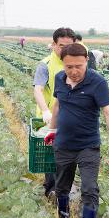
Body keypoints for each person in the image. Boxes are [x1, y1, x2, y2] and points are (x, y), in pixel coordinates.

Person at [44, 43, 109, 218]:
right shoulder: (59, 79)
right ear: (63, 63)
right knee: (62, 187)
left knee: (89, 190)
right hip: (63, 145)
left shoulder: (97, 82)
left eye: (79, 66)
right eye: (69, 66)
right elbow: (57, 106)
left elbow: (108, 113)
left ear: (87, 61)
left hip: (88, 146)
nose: (74, 71)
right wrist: (52, 130)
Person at [33, 27, 76, 199]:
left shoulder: (76, 64)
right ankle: (51, 189)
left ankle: (62, 189)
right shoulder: (46, 65)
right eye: (61, 45)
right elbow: (38, 89)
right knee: (50, 156)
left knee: (67, 156)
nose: (65, 49)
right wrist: (45, 111)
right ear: (53, 45)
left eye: (69, 46)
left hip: (70, 119)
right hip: (49, 117)